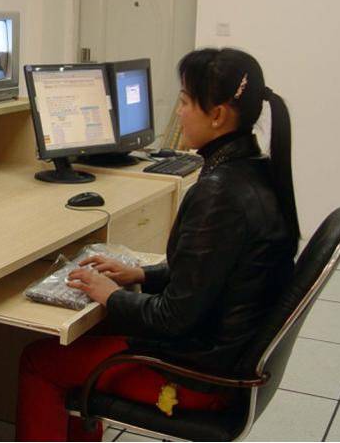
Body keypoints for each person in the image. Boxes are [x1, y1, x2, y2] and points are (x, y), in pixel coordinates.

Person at [16, 48, 299, 441]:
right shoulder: (254, 170)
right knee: (89, 333)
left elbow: (173, 318)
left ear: (217, 115)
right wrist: (139, 275)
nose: (178, 112)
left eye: (185, 102)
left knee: (39, 361)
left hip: (197, 378)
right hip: (221, 358)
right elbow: (208, 275)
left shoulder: (220, 195)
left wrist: (110, 294)